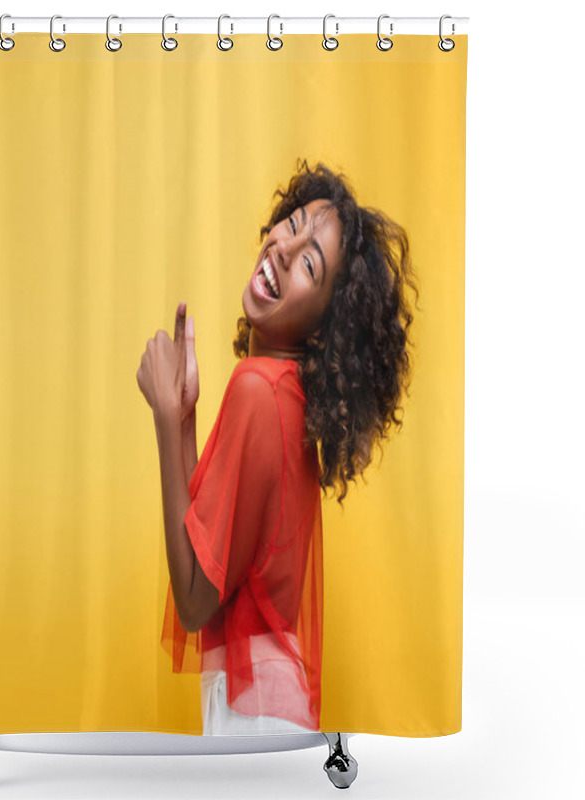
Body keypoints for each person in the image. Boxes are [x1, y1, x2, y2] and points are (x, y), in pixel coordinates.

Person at [137, 158, 420, 736]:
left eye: (309, 264)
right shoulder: (284, 397)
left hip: (252, 712)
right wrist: (188, 419)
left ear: (324, 329)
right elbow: (212, 554)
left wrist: (166, 422)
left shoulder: (258, 392)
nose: (284, 249)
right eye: (291, 224)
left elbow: (195, 603)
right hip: (270, 699)